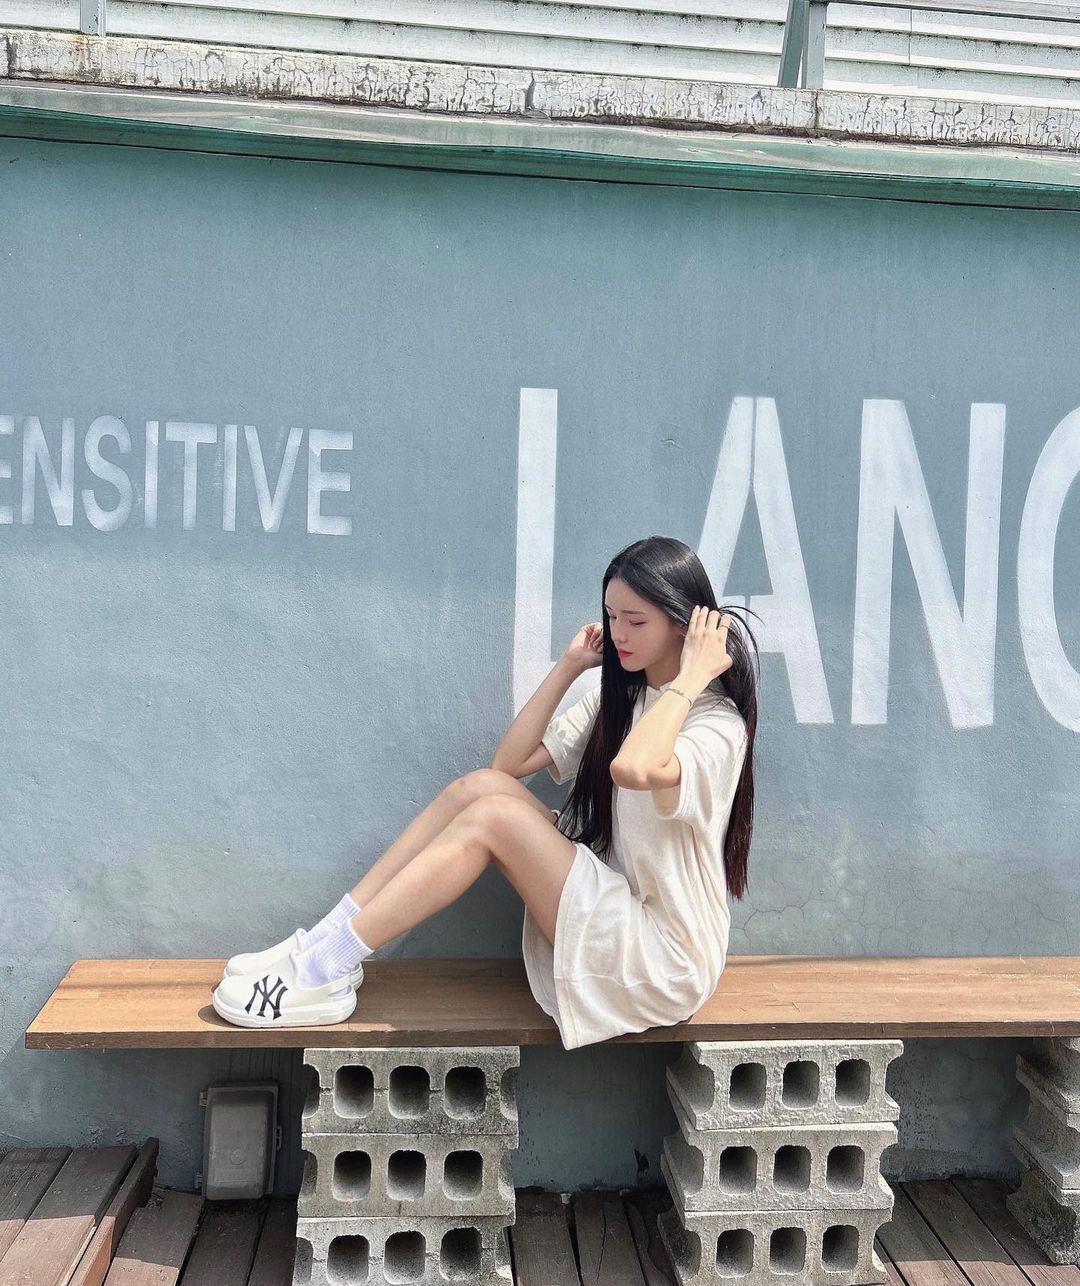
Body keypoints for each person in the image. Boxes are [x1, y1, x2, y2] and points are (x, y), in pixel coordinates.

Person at [212, 535, 760, 1042]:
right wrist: (570, 666)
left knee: (493, 819)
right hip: (616, 906)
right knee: (479, 789)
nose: (618, 634)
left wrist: (693, 677)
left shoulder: (717, 727)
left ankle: (322, 969)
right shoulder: (626, 699)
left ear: (684, 626)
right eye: (612, 616)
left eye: (635, 621)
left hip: (663, 960)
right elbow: (510, 763)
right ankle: (328, 942)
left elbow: (634, 768)